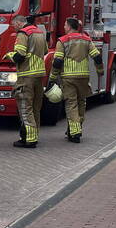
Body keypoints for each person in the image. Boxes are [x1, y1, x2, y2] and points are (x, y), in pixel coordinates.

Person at [50, 17, 104, 143]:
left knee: (71, 104)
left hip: (68, 77)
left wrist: (52, 77)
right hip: (84, 76)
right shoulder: (86, 39)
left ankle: (75, 132)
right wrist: (100, 71)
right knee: (81, 103)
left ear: (69, 26)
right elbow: (97, 57)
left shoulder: (62, 41)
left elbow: (57, 61)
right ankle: (75, 128)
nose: (64, 27)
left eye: (65, 25)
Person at [8, 15, 48, 148]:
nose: (14, 27)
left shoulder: (23, 33)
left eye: (14, 25)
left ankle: (29, 139)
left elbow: (20, 55)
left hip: (26, 75)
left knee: (25, 108)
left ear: (19, 23)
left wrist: (10, 56)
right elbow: (46, 51)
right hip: (39, 75)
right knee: (36, 108)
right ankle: (34, 134)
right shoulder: (39, 32)